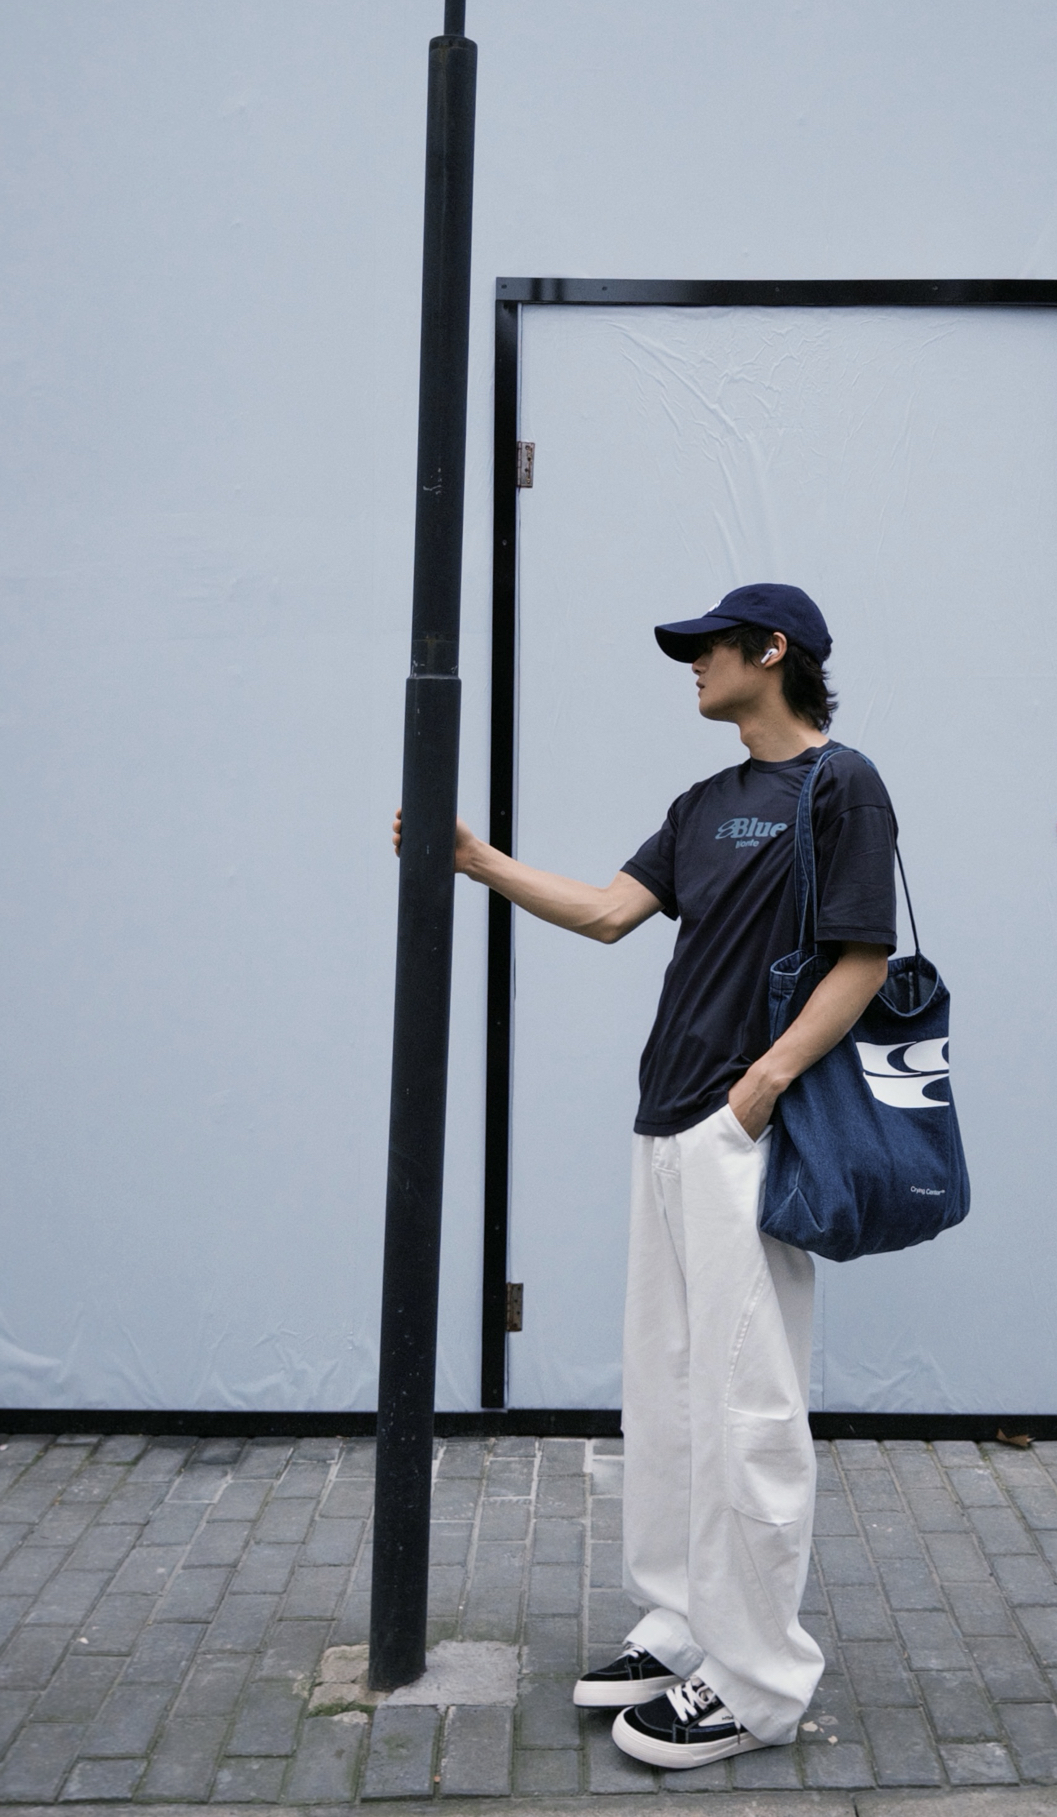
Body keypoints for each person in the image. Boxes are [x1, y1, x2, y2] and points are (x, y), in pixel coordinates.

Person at [395, 583, 898, 1768]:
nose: (693, 666)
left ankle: (760, 1682)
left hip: (744, 1130)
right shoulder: (704, 802)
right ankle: (682, 1624)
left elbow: (863, 956)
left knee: (749, 1403)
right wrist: (474, 860)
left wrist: (766, 1079)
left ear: (772, 652)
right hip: (666, 1125)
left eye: (708, 648)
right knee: (667, 1394)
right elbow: (610, 913)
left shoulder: (841, 786)